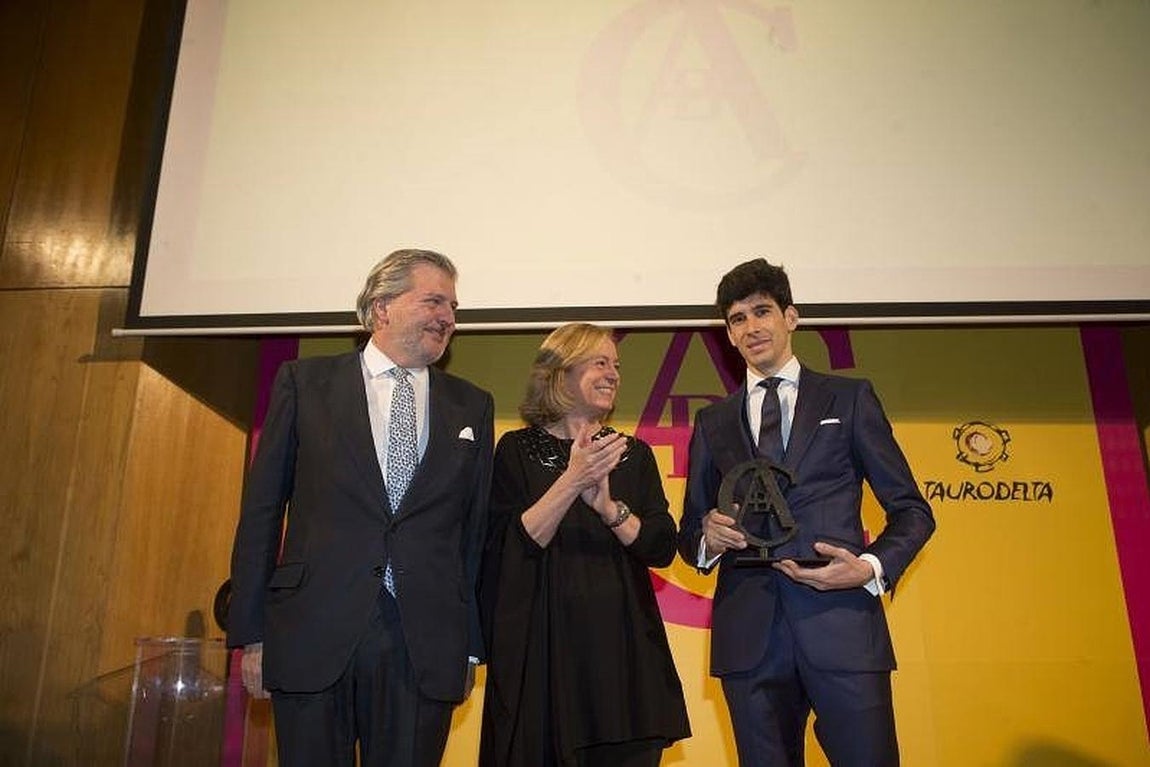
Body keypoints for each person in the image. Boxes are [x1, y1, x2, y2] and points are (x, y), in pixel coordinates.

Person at [227, 249, 494, 767]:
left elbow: (473, 534)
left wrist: (468, 644)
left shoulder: (472, 405)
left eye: (454, 307)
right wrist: (253, 634)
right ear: (382, 307)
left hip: (424, 644)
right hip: (311, 632)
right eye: (433, 301)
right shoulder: (305, 384)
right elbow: (261, 514)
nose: (448, 318)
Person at [677, 258, 935, 767]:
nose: (751, 328)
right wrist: (708, 537)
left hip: (842, 628)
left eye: (762, 311)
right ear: (728, 335)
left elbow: (912, 511)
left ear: (791, 317)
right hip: (749, 639)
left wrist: (869, 568)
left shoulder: (850, 397)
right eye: (737, 319)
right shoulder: (712, 422)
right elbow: (691, 533)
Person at [479, 323, 691, 767]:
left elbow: (660, 546)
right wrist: (573, 480)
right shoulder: (515, 451)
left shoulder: (632, 453)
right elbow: (510, 548)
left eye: (616, 365)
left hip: (624, 661)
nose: (613, 373)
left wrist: (610, 508)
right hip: (544, 659)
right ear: (560, 372)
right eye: (600, 362)